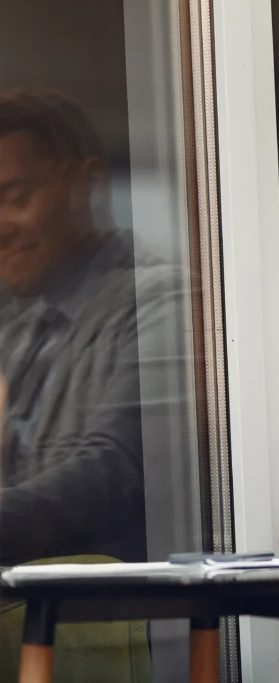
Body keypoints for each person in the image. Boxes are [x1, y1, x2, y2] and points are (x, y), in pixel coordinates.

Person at [0, 89, 178, 565]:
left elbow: (113, 474)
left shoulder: (163, 301)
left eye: (16, 197)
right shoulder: (19, 331)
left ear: (90, 183)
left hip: (118, 621)